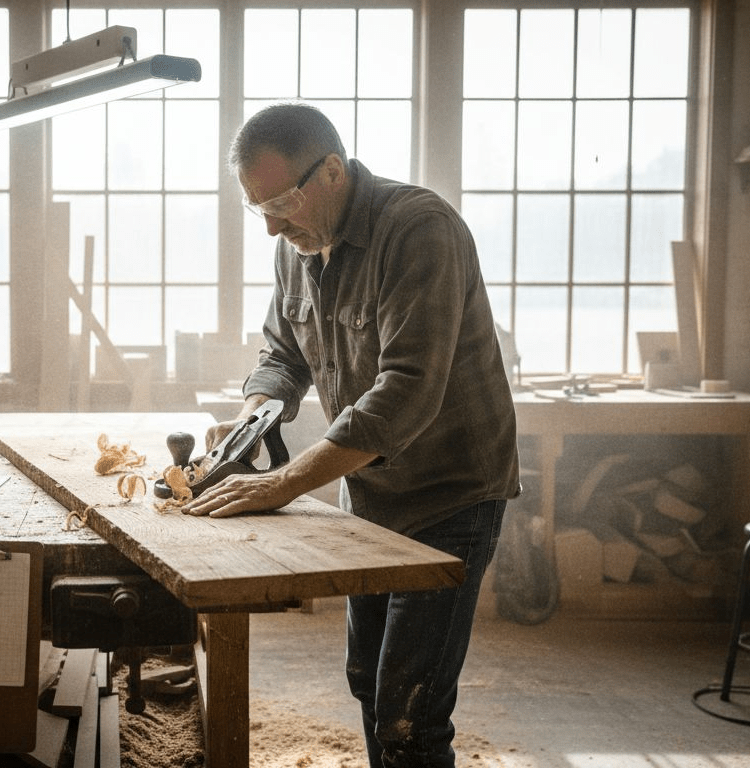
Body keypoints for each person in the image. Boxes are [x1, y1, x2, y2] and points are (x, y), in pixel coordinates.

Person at [181, 102, 520, 768]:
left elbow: (405, 393)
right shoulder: (297, 248)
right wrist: (255, 415)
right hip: (370, 494)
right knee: (367, 682)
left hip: (451, 494)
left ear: (332, 170)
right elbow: (282, 355)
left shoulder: (420, 230)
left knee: (408, 711)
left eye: (282, 202)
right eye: (260, 209)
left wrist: (281, 483)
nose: (273, 227)